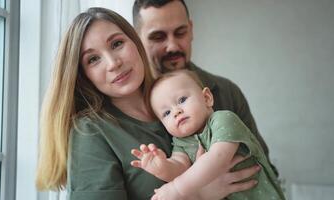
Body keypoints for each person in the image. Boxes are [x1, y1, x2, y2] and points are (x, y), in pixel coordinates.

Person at [35, 7, 261, 200]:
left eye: (116, 43)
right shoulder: (90, 132)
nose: (114, 63)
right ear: (84, 75)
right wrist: (196, 194)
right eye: (93, 59)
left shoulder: (178, 99)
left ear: (135, 42)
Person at [132, 0, 278, 175]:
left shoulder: (228, 91)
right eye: (158, 37)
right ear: (137, 38)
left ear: (191, 29)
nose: (172, 46)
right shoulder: (130, 103)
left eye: (180, 33)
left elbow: (266, 167)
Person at [131, 70, 285, 200]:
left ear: (207, 98)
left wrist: (177, 189)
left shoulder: (223, 119)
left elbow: (218, 159)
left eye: (182, 100)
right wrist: (162, 167)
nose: (176, 112)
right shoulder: (181, 142)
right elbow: (180, 167)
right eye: (166, 113)